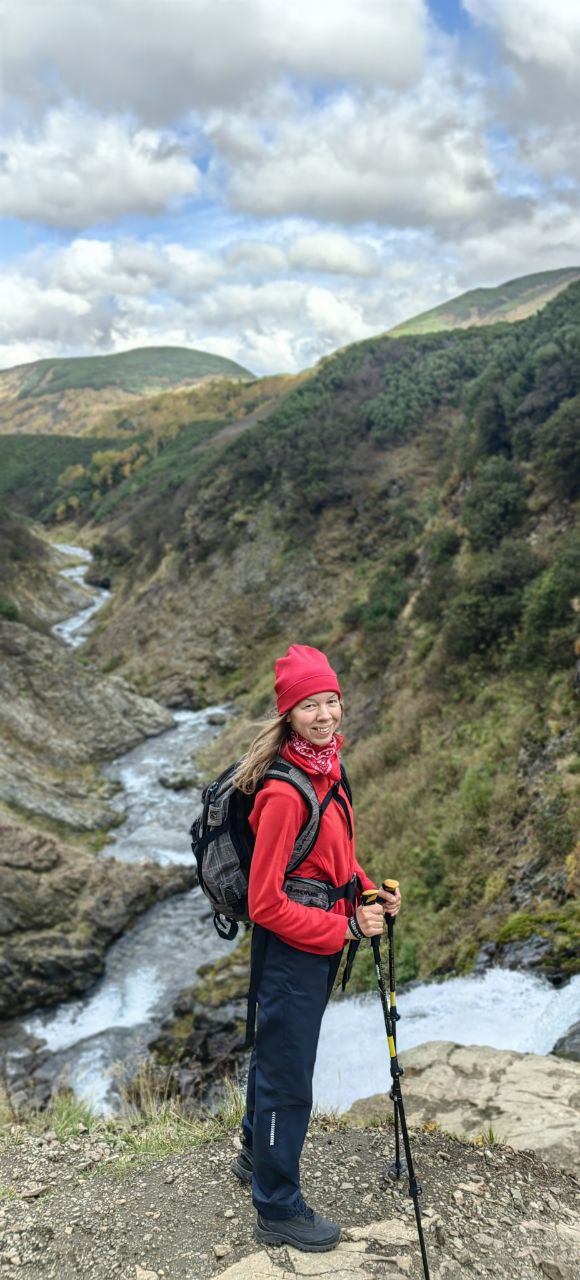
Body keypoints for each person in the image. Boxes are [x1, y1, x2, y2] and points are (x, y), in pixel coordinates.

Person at [231, 643, 402, 1252]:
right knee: (287, 1075)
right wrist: (347, 929)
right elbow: (264, 904)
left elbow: (332, 857)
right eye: (310, 705)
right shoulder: (283, 792)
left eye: (331, 700)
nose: (325, 714)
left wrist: (365, 891)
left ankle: (255, 1152)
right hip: (292, 952)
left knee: (278, 1054)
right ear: (288, 714)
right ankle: (277, 1208)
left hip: (319, 938)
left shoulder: (327, 768)